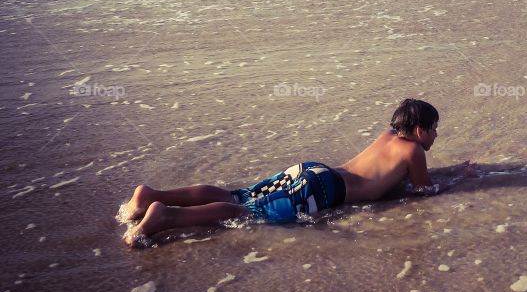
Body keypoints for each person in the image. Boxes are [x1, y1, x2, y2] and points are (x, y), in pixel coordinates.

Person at [119, 98, 474, 246]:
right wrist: (460, 177)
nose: (436, 135)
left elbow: (382, 175)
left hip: (312, 170)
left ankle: (152, 195)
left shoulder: (386, 137)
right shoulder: (413, 150)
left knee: (239, 195)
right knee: (247, 213)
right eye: (434, 128)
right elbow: (424, 190)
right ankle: (164, 216)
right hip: (323, 189)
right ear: (419, 130)